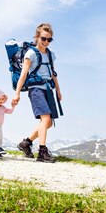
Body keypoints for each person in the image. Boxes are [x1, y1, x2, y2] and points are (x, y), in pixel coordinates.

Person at [11, 23, 62, 163]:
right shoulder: (31, 53)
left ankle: (26, 143)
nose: (46, 42)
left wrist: (58, 89)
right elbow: (23, 74)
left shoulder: (51, 54)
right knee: (45, 119)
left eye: (49, 40)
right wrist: (17, 93)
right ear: (37, 37)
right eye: (43, 39)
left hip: (48, 89)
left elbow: (53, 74)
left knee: (49, 123)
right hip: (36, 89)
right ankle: (42, 152)